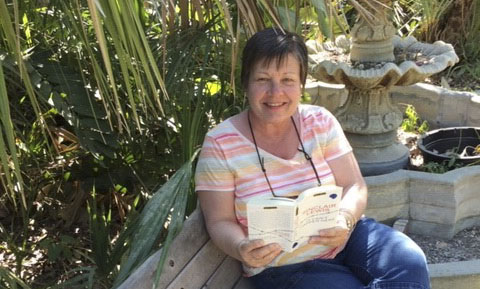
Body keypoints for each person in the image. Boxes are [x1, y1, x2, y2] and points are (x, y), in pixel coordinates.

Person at [195, 27, 430, 289]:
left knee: (409, 263)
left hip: (345, 238)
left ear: (301, 84)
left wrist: (345, 218)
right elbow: (220, 220)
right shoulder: (221, 143)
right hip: (284, 267)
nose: (276, 92)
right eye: (263, 79)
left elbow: (354, 185)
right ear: (245, 83)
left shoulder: (319, 121)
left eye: (288, 80)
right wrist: (241, 246)